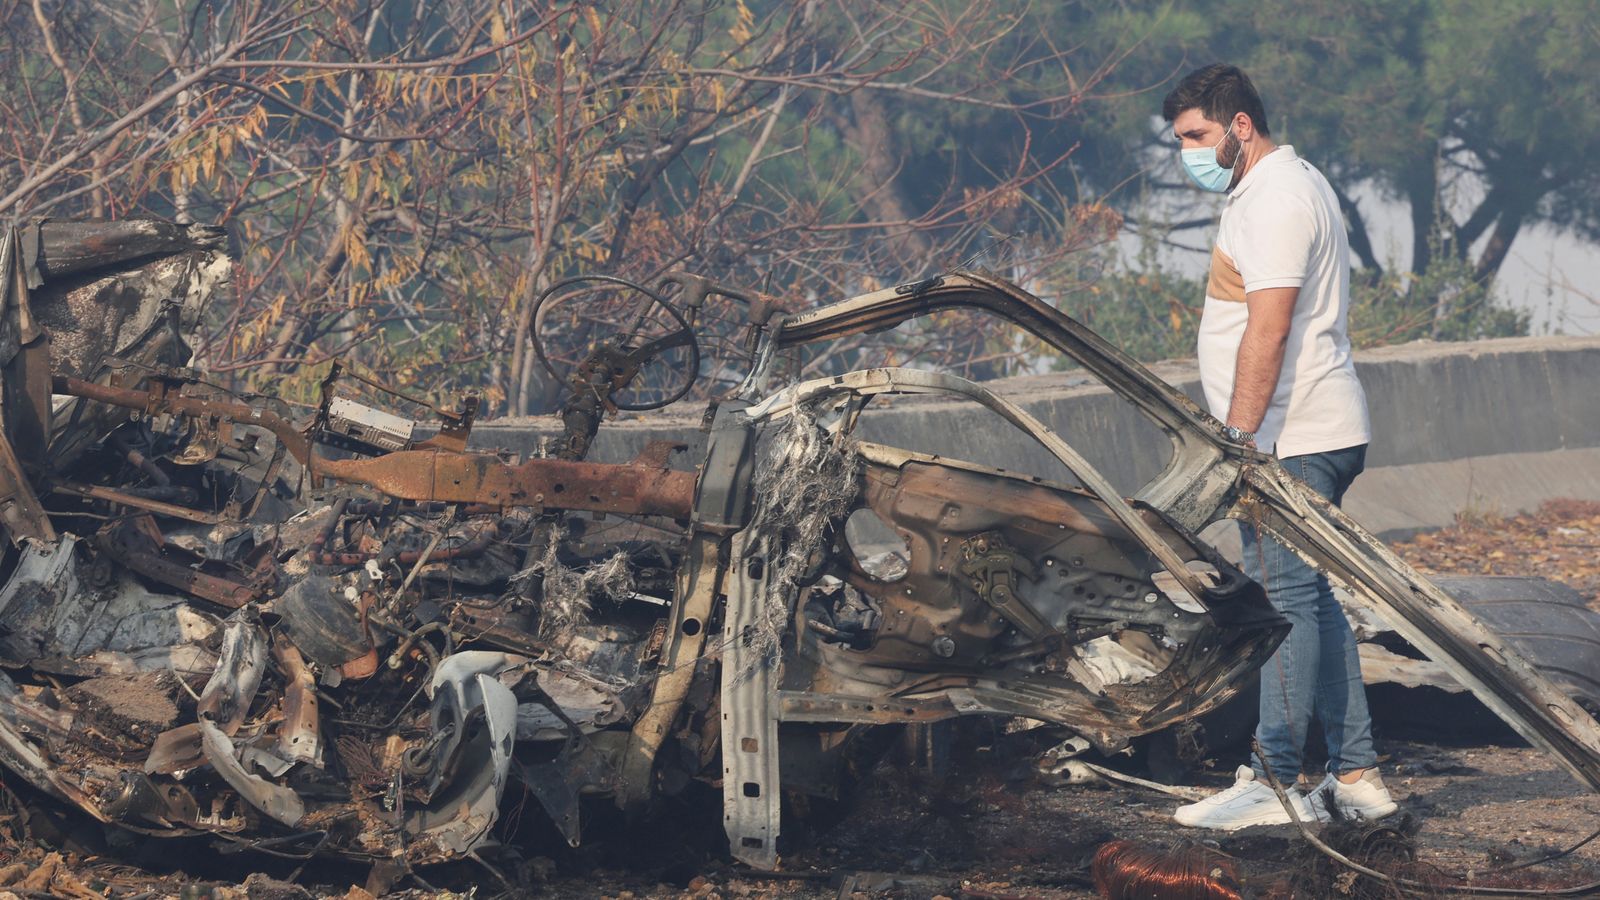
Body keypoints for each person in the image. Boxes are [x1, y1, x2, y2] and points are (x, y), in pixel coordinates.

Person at [1160, 64, 1399, 831]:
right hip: (1308, 429)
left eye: (1196, 136)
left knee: (1283, 602)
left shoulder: (1274, 199)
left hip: (1288, 438)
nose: (1186, 154)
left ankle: (1277, 780)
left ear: (1238, 126)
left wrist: (1236, 441)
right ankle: (1357, 779)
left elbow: (1270, 326)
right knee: (1313, 603)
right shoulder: (1285, 186)